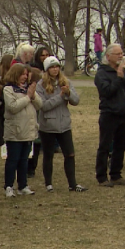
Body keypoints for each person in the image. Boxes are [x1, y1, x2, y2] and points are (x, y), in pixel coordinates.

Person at [36, 56, 87, 192]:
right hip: (48, 126)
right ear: (47, 70)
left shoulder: (66, 82)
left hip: (64, 124)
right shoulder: (40, 85)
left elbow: (76, 100)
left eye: (57, 66)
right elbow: (44, 106)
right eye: (52, 67)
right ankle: (48, 184)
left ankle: (73, 183)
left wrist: (68, 93)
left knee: (70, 154)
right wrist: (60, 97)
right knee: (48, 155)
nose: (55, 69)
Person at [94, 43, 125, 187]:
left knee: (121, 145)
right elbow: (107, 92)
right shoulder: (102, 73)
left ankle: (116, 175)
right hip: (109, 114)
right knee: (105, 146)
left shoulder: (122, 70)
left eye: (122, 53)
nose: (121, 56)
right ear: (108, 57)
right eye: (117, 54)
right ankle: (101, 177)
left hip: (123, 114)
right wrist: (119, 78)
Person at [3, 64, 42, 197]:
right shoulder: (8, 89)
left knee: (24, 160)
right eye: (22, 74)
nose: (25, 77)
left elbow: (39, 105)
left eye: (26, 74)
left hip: (28, 131)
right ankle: (9, 186)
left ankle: (23, 185)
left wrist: (32, 95)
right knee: (13, 160)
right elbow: (12, 107)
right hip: (15, 132)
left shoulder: (28, 89)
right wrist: (27, 97)